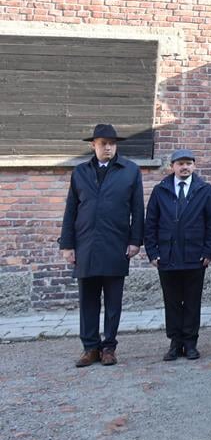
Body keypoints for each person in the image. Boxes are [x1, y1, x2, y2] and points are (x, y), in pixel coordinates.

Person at [59, 123, 144, 367]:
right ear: (93, 145)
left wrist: (135, 241)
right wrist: (68, 244)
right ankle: (90, 348)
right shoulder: (80, 172)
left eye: (112, 143)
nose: (108, 147)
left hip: (116, 244)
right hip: (85, 244)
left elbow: (138, 209)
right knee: (88, 300)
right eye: (103, 143)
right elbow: (71, 210)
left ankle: (109, 348)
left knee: (113, 301)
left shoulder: (130, 171)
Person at [144, 149, 211, 361]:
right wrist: (153, 252)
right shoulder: (161, 191)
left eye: (188, 163)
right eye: (180, 164)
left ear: (194, 166)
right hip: (167, 257)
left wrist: (209, 251)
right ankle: (175, 343)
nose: (184, 167)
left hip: (195, 257)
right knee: (172, 302)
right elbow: (151, 223)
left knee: (193, 302)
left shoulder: (204, 190)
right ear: (172, 167)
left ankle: (191, 342)